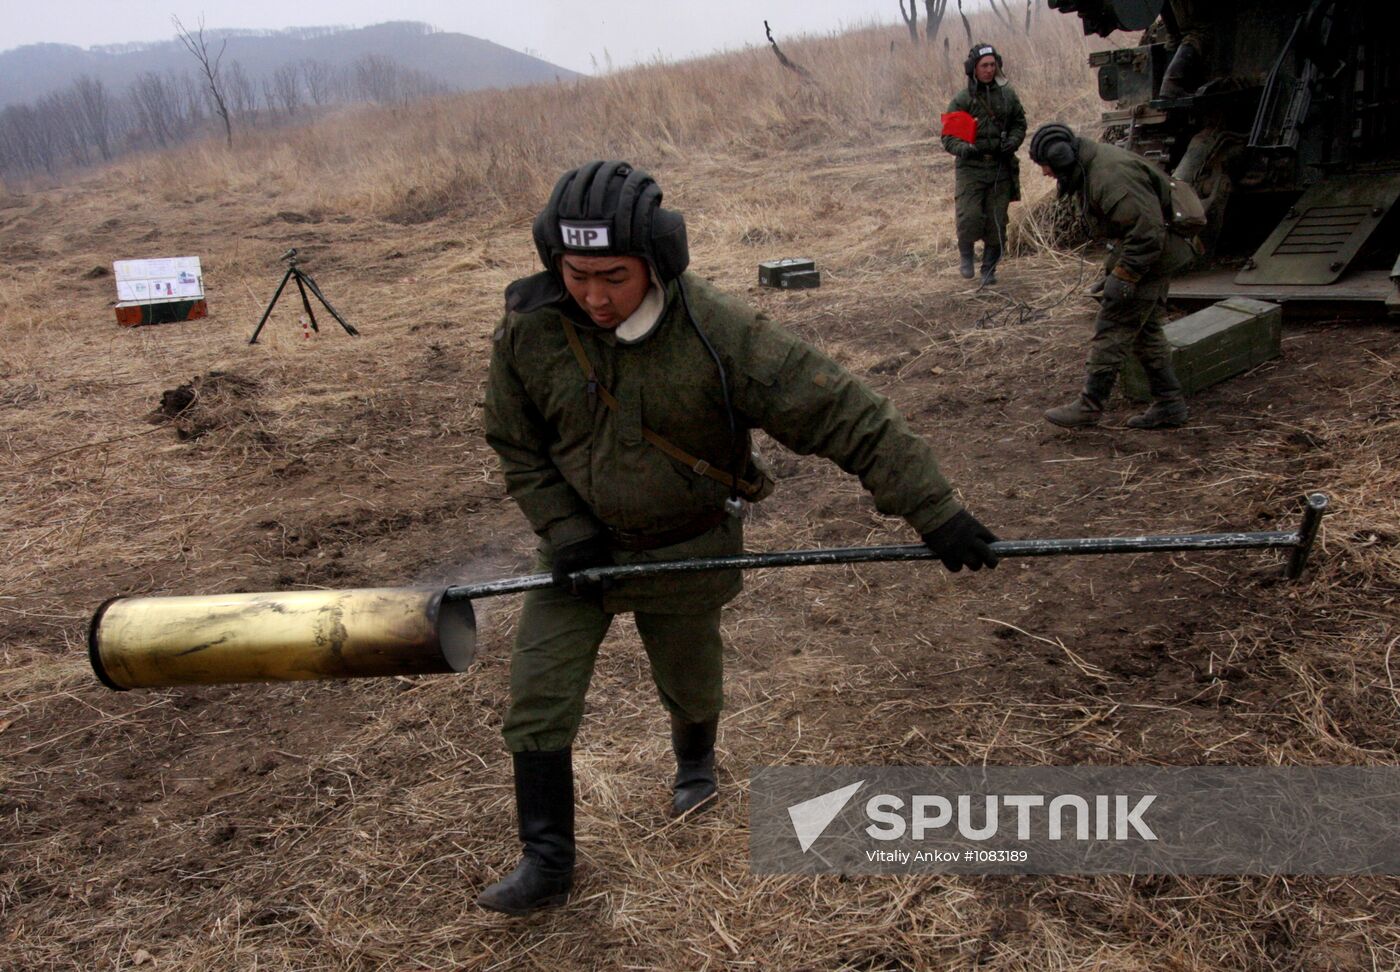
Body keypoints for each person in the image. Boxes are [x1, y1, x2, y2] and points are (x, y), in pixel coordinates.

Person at [479, 160, 1000, 915]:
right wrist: (564, 528)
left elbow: (839, 411)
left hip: (687, 546)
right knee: (537, 696)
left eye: (613, 276)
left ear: (657, 260)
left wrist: (935, 510)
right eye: (575, 273)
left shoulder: (719, 333)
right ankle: (547, 862)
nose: (592, 295)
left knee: (690, 681)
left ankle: (694, 763)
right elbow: (514, 440)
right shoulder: (530, 329)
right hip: (579, 554)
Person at [1028, 123, 1196, 430]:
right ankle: (1170, 404)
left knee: (1114, 325)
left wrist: (1124, 275)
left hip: (1152, 254)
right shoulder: (1093, 166)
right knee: (1145, 333)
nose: (1045, 173)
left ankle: (1090, 405)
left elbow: (1147, 232)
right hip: (1150, 251)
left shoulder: (1110, 176)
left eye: (1046, 166)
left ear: (1063, 157)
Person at [941, 43, 1027, 285]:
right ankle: (966, 255)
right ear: (973, 69)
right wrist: (964, 149)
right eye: (984, 66)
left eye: (992, 65)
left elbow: (1020, 123)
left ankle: (989, 268)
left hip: (1000, 166)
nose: (989, 70)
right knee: (969, 217)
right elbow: (948, 137)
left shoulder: (1007, 95)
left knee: (997, 222)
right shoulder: (963, 99)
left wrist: (1012, 141)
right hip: (971, 168)